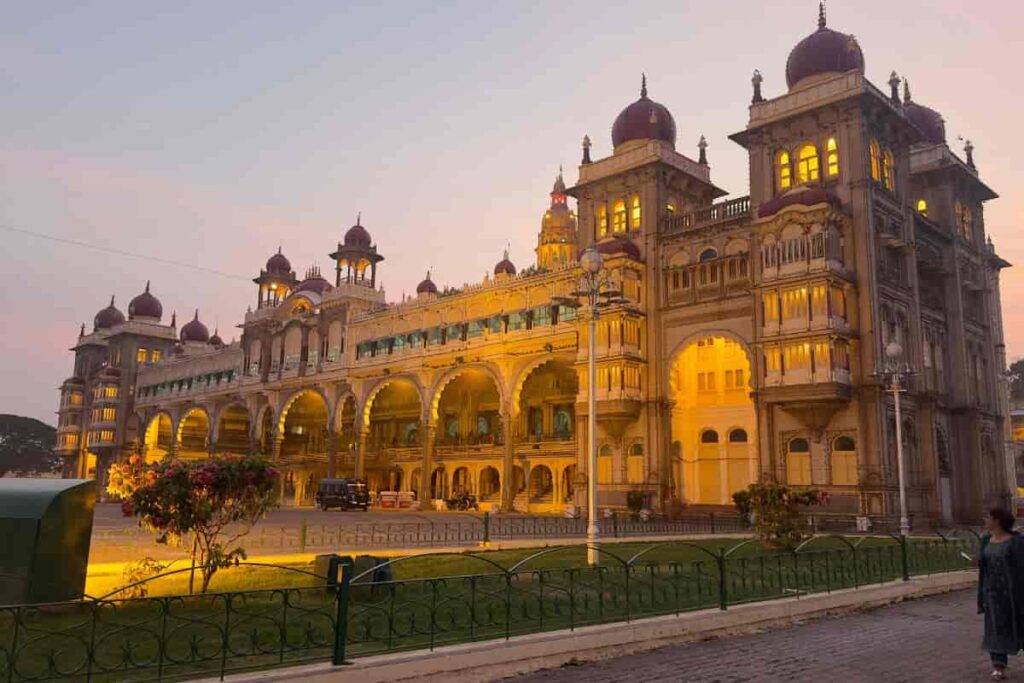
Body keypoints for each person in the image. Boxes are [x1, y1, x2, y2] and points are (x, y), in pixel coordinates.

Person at [978, 504, 1024, 680]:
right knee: (995, 629)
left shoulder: (1016, 541)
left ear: (997, 520)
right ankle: (998, 666)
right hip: (992, 593)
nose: (985, 520)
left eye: (987, 517)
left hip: (1015, 593)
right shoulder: (985, 540)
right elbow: (985, 564)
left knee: (1020, 624)